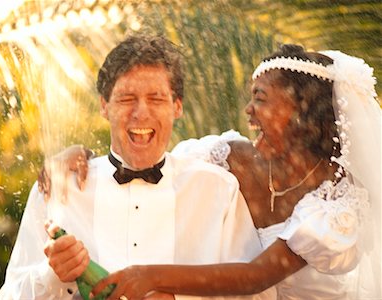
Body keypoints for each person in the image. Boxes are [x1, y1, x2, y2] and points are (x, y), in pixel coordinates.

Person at [51, 44, 381, 299]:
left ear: (301, 112)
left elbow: (256, 276)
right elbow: (151, 161)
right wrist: (82, 155)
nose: (248, 111)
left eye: (261, 99)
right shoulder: (227, 159)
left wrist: (148, 275)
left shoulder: (337, 201)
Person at [0, 34, 275, 300]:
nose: (141, 112)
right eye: (127, 99)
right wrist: (52, 276)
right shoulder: (58, 187)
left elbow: (260, 294)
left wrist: (178, 296)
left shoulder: (217, 190)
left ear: (177, 107)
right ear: (104, 106)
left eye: (156, 99)